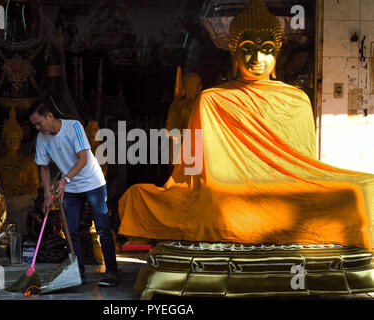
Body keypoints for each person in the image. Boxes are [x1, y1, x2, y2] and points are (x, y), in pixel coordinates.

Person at [118, 0, 374, 249]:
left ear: (277, 54)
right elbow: (193, 166)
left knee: (364, 189)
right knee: (143, 197)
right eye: (249, 47)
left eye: (267, 49)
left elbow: (302, 167)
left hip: (287, 188)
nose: (257, 57)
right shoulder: (213, 99)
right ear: (233, 51)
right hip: (223, 191)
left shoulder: (296, 100)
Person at [29, 100, 119, 287]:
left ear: (50, 116)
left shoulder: (73, 127)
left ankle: (111, 272)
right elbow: (43, 168)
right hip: (70, 189)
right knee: (70, 231)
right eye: (35, 125)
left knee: (102, 228)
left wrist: (64, 180)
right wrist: (47, 196)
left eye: (40, 123)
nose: (38, 128)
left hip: (92, 183)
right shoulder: (41, 139)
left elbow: (83, 158)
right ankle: (78, 274)